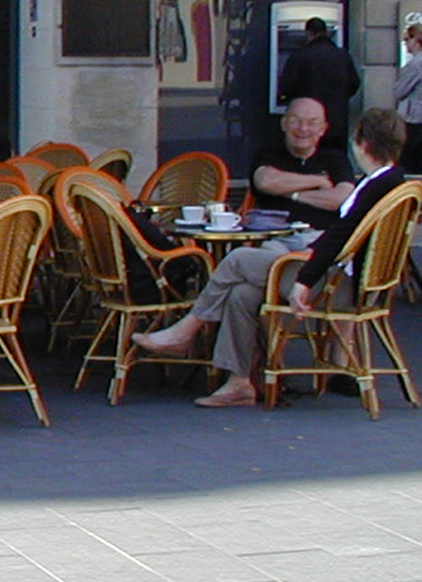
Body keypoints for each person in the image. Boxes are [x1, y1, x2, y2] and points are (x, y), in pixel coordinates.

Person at [133, 108, 408, 408]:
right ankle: (238, 382)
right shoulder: (396, 183)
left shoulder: (374, 186)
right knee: (241, 293)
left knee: (238, 260)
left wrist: (303, 280)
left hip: (336, 287)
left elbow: (338, 236)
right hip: (356, 284)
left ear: (362, 143)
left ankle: (187, 329)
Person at [251, 98, 354, 232]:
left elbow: (343, 199)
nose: (303, 128)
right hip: (276, 236)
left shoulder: (335, 159)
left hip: (322, 238)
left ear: (323, 129)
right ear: (284, 124)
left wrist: (292, 194)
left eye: (312, 122)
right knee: (242, 254)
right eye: (296, 121)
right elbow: (265, 182)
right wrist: (318, 181)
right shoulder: (268, 155)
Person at [279, 16, 360, 151]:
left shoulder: (300, 56)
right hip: (337, 122)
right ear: (327, 33)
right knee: (334, 160)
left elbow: (287, 88)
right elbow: (354, 84)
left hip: (308, 125)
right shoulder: (342, 56)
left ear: (309, 33)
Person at [394, 22, 422, 173]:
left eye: (407, 40)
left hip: (413, 118)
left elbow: (399, 91)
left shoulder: (415, 65)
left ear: (416, 41)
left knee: (407, 161)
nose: (406, 44)